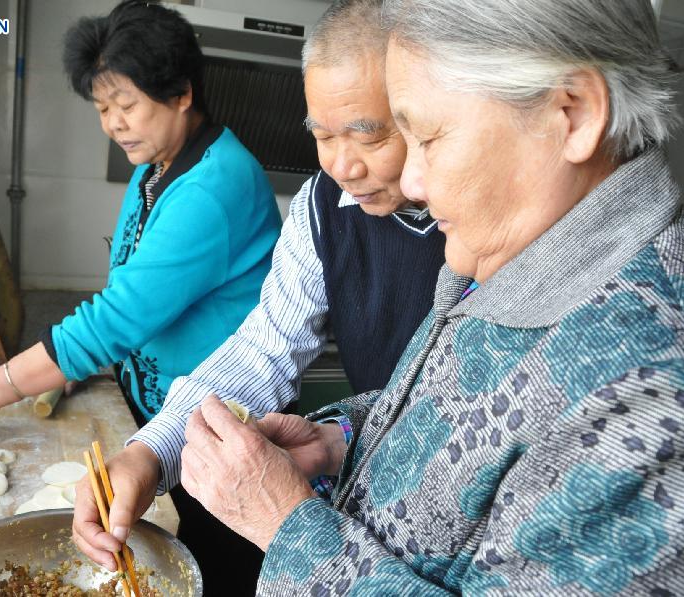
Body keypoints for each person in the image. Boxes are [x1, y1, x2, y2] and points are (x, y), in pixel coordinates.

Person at [178, 0, 684, 594]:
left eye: (426, 136)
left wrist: (286, 527)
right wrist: (345, 439)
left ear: (572, 114)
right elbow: (474, 421)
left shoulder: (673, 391)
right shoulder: (520, 246)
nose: (412, 183)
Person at [70, 1, 446, 594]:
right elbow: (264, 347)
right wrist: (151, 453)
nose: (342, 165)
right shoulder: (324, 204)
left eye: (367, 134)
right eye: (321, 135)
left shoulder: (482, 222)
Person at [0, 1, 281, 447]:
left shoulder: (211, 188)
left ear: (181, 94)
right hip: (160, 406)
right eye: (102, 109)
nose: (114, 125)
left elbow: (117, 318)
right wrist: (71, 361)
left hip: (214, 427)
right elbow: (136, 292)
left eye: (127, 105)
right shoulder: (155, 162)